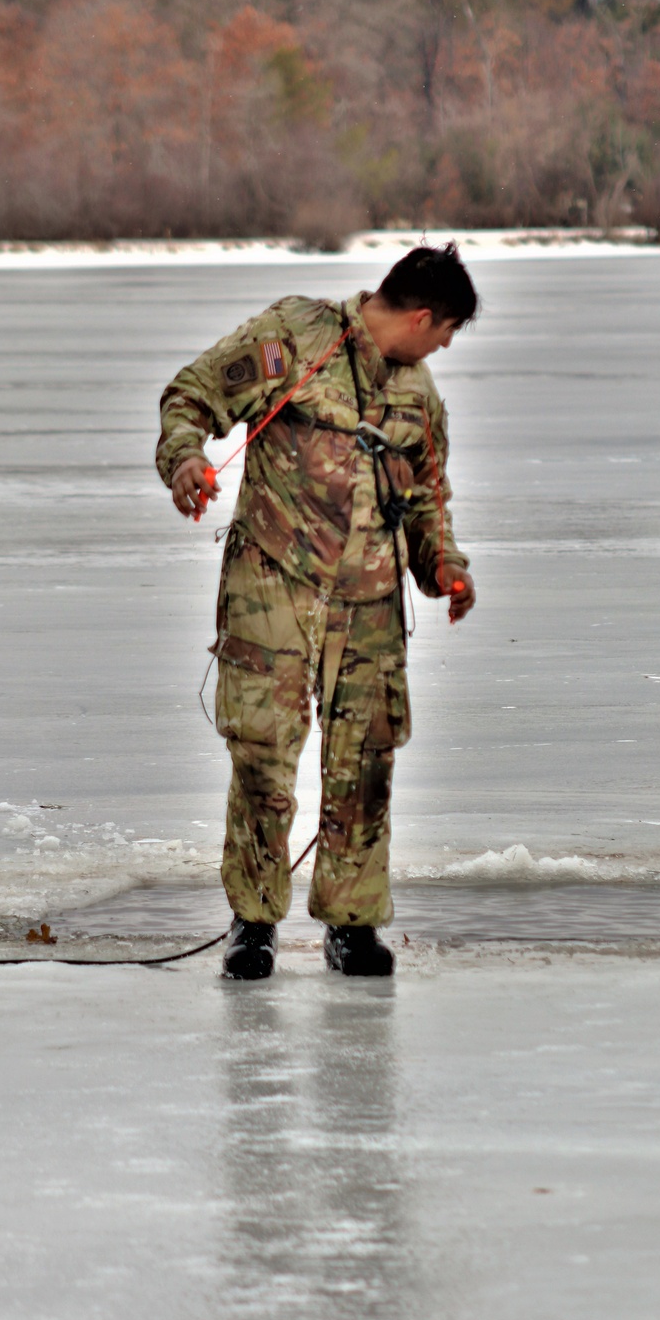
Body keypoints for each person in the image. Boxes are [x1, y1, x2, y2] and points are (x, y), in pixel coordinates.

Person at [156, 242, 478, 979]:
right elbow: (190, 397)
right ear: (425, 317)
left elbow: (426, 495)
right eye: (449, 330)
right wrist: (184, 462)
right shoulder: (293, 337)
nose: (446, 346)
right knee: (265, 759)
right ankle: (253, 923)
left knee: (365, 766)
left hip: (369, 607)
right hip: (274, 585)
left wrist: (445, 568)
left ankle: (352, 925)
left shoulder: (418, 396)